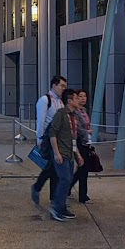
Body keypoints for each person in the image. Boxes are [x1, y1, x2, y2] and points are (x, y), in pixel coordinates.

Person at [39, 82, 85, 221]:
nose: (79, 100)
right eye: (77, 98)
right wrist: (56, 153)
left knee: (68, 179)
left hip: (70, 154)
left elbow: (73, 138)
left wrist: (78, 155)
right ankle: (56, 207)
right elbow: (53, 133)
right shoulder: (61, 114)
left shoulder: (73, 116)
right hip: (62, 154)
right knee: (65, 180)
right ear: (70, 101)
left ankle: (62, 207)